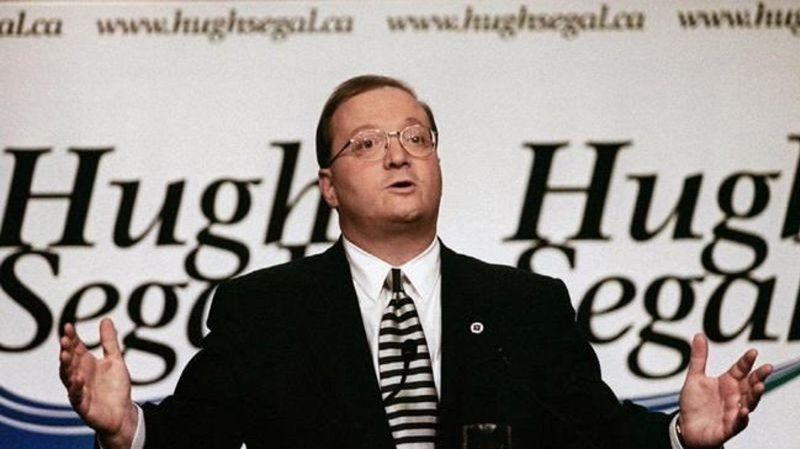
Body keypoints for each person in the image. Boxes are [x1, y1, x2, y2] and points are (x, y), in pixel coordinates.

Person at [59, 75, 773, 449]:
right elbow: (195, 439)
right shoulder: (266, 310)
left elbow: (600, 438)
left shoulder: (527, 306)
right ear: (329, 187)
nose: (398, 155)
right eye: (367, 144)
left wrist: (682, 436)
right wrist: (125, 428)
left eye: (416, 137)